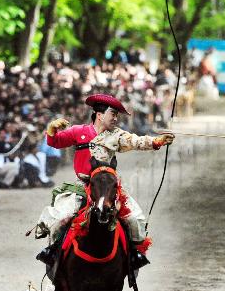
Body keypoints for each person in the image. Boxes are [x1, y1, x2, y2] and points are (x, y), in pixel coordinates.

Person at [35, 93, 174, 273]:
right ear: (99, 115)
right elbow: (55, 142)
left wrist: (157, 141)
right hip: (82, 186)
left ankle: (133, 257)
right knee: (61, 218)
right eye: (113, 114)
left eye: (116, 115)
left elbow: (137, 141)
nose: (116, 118)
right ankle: (53, 254)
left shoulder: (116, 135)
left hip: (108, 188)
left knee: (135, 219)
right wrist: (52, 129)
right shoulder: (79, 131)